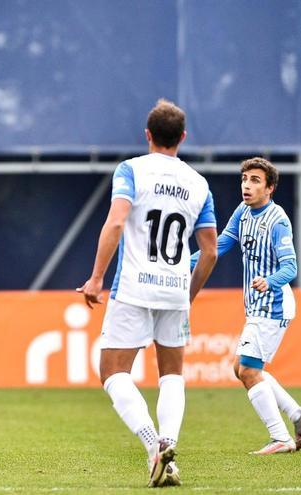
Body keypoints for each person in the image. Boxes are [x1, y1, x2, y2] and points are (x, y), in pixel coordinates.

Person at [77, 99, 218, 487]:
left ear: (148, 135)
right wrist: (187, 295)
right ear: (183, 138)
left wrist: (95, 278)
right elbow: (209, 250)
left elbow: (117, 221)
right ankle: (168, 445)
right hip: (174, 290)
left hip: (135, 287)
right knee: (172, 374)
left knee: (112, 371)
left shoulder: (131, 170)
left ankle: (153, 446)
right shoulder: (199, 184)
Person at [191, 157, 301, 455]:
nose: (247, 185)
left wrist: (269, 281)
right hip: (258, 306)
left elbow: (291, 267)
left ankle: (281, 438)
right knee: (242, 367)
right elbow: (219, 245)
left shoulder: (278, 220)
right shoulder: (243, 212)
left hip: (272, 303)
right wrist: (184, 263)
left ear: (270, 188)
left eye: (255, 180)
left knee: (248, 370)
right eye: (244, 179)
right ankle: (297, 415)